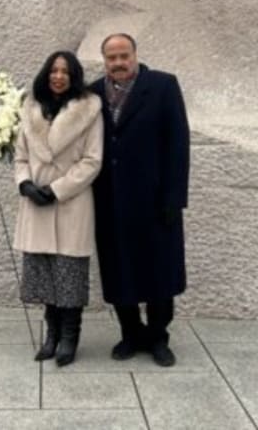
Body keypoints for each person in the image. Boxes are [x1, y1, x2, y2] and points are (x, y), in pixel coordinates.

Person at [89, 33, 190, 367]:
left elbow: (178, 144)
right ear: (104, 60)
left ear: (135, 55)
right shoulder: (92, 94)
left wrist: (174, 198)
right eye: (111, 57)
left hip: (155, 201)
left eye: (124, 56)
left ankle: (158, 337)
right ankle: (130, 333)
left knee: (159, 273)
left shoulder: (162, 86)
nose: (118, 63)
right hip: (110, 201)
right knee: (120, 272)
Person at [13, 50, 104, 366]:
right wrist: (25, 183)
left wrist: (57, 190)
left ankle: (69, 338)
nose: (59, 76)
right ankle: (50, 335)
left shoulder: (89, 110)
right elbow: (21, 157)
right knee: (45, 276)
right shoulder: (30, 108)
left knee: (69, 276)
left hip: (70, 203)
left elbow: (93, 161)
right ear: (45, 73)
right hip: (35, 204)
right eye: (54, 70)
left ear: (74, 75)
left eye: (66, 71)